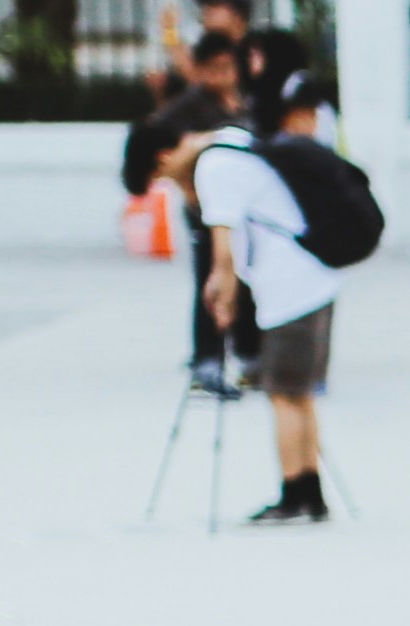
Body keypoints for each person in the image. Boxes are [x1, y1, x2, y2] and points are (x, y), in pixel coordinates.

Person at [180, 68, 342, 525]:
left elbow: (223, 261)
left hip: (289, 291)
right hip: (317, 280)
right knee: (301, 394)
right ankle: (311, 492)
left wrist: (221, 298)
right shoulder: (240, 147)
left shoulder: (216, 168)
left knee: (283, 395)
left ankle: (294, 494)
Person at [125, 28, 249, 394]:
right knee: (211, 278)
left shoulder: (249, 100)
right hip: (205, 207)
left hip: (241, 204)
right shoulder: (190, 107)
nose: (220, 75)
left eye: (227, 67)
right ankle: (208, 359)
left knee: (242, 277)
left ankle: (247, 351)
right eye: (211, 68)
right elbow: (157, 144)